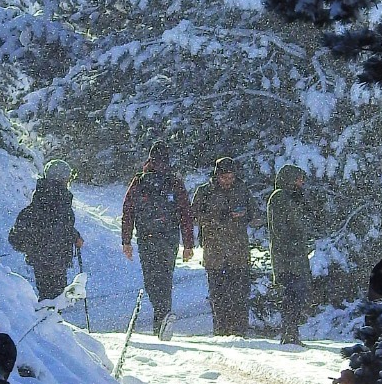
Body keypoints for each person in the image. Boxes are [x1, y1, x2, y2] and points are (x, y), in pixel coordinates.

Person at [121, 141, 194, 337]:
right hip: (168, 238)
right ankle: (163, 316)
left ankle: (161, 316)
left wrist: (126, 240)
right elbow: (185, 213)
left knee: (153, 279)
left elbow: (128, 211)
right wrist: (188, 244)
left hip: (147, 237)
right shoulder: (173, 182)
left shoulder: (140, 181)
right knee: (164, 277)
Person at [191, 157, 258, 335]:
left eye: (231, 177)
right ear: (217, 176)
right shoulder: (205, 192)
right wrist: (215, 218)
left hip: (238, 252)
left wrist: (242, 216)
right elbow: (193, 216)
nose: (228, 181)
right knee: (218, 296)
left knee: (240, 295)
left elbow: (256, 215)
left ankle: (240, 331)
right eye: (224, 178)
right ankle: (221, 331)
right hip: (215, 253)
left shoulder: (242, 190)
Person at [8, 160, 84, 300]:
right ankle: (50, 320)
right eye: (67, 177)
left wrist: (74, 236)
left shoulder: (42, 195)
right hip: (55, 257)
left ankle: (47, 319)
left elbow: (57, 224)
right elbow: (60, 226)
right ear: (61, 178)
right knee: (55, 298)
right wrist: (73, 238)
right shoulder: (59, 197)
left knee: (47, 295)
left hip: (41, 257)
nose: (68, 180)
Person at [266, 164, 313, 345]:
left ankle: (292, 333)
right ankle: (289, 334)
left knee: (296, 295)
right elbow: (281, 228)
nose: (301, 182)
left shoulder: (294, 197)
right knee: (290, 295)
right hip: (286, 257)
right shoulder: (279, 198)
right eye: (298, 179)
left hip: (295, 256)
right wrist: (295, 242)